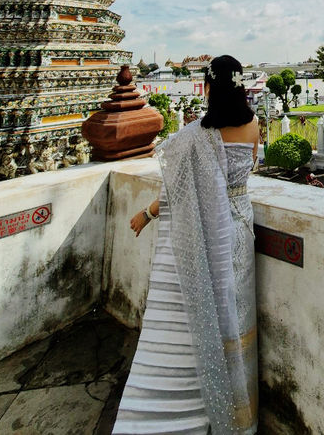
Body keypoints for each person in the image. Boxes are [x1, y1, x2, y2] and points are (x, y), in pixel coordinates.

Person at [113, 55, 259, 435]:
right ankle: (239, 413)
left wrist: (147, 212)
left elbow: (178, 193)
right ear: (241, 87)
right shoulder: (254, 126)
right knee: (236, 318)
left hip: (209, 235)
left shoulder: (194, 135)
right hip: (240, 231)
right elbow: (243, 173)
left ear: (208, 88)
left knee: (207, 314)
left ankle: (208, 400)